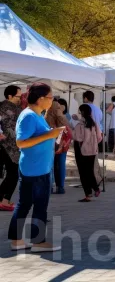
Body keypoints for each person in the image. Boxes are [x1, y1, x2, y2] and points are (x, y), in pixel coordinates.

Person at [9, 83, 63, 252]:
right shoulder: (29, 116)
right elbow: (21, 142)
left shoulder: (36, 115)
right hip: (35, 169)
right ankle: (38, 242)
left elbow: (38, 136)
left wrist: (52, 134)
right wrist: (50, 134)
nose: (52, 100)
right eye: (50, 97)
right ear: (41, 99)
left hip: (38, 167)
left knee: (26, 204)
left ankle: (18, 240)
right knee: (37, 205)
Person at [0, 86, 22, 211]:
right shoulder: (4, 107)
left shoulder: (15, 107)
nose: (20, 98)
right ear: (10, 96)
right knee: (13, 173)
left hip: (13, 146)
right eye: (18, 96)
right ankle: (5, 200)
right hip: (8, 146)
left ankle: (3, 199)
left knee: (12, 173)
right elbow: (8, 127)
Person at [73, 104, 101, 202]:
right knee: (90, 171)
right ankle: (96, 188)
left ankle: (88, 194)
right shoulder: (94, 123)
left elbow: (78, 138)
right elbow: (99, 137)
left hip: (82, 150)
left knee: (83, 173)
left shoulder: (80, 125)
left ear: (82, 112)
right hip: (92, 151)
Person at [45, 98, 71, 194]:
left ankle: (51, 186)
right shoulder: (59, 110)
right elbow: (66, 124)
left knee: (51, 163)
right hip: (61, 139)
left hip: (52, 138)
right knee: (60, 163)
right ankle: (60, 187)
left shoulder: (49, 108)